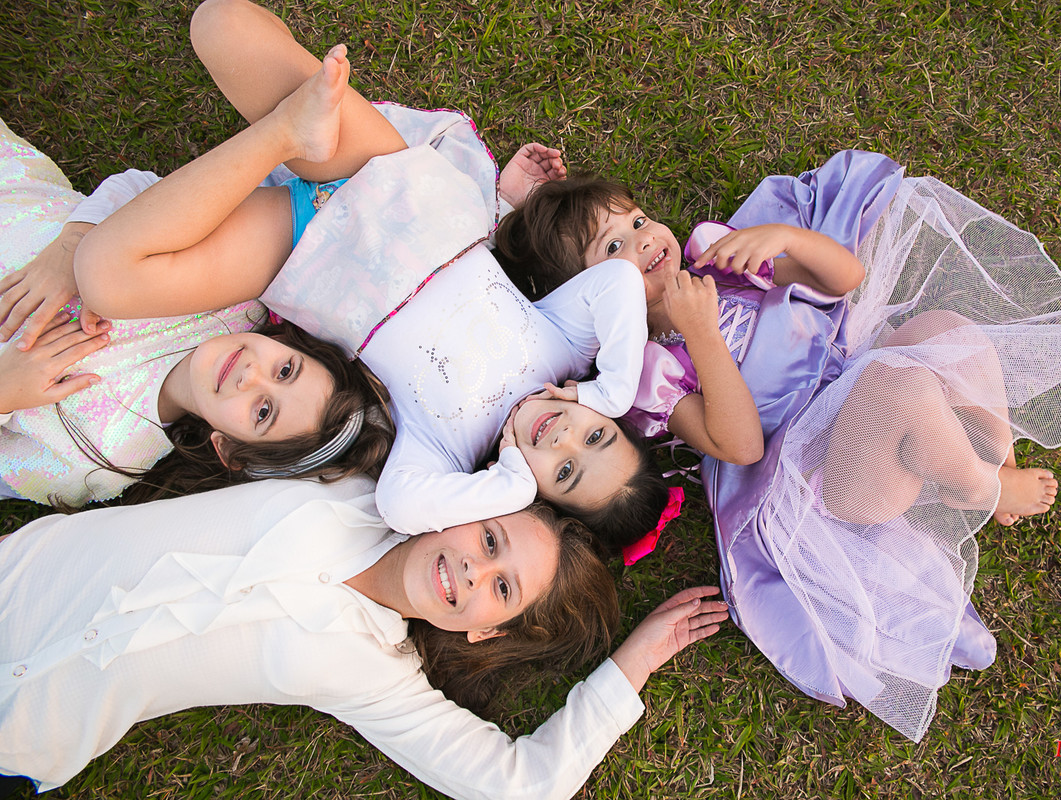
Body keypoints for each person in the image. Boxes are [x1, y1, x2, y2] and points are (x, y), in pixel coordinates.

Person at [492, 152, 1061, 739]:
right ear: (589, 303)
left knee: (945, 331)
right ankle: (980, 486)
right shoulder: (649, 373)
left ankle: (990, 457)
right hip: (824, 472)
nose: (645, 240)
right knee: (903, 388)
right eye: (615, 247)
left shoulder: (717, 256)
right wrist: (702, 333)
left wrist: (789, 242)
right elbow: (739, 446)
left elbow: (846, 279)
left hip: (856, 370)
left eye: (636, 220)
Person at [61, 0, 669, 543]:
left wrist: (512, 486)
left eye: (564, 472)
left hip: (309, 257)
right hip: (395, 191)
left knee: (107, 279)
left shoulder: (447, 455)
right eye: (597, 436)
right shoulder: (567, 357)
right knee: (221, 22)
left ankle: (276, 141)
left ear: (542, 499)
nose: (563, 435)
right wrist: (608, 390)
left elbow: (402, 507)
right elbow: (616, 283)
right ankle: (283, 137)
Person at [0, 476, 729, 797]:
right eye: (490, 536)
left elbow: (522, 786)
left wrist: (634, 661)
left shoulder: (379, 678)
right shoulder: (356, 488)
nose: (475, 569)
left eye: (502, 589)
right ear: (462, 509)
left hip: (20, 738)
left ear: (484, 631)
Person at [0, 120, 392, 506]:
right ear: (291, 343)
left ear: (229, 449)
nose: (251, 376)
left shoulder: (106, 458)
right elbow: (140, 189)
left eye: (263, 411)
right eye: (285, 370)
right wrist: (71, 245)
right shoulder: (232, 292)